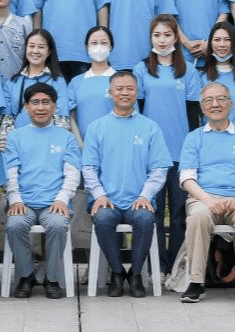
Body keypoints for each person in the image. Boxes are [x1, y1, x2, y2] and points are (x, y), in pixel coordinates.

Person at [82, 70, 171, 298]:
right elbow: (89, 168)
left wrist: (145, 195)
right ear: (110, 93)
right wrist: (100, 195)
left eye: (130, 88)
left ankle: (136, 273)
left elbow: (159, 169)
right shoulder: (96, 127)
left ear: (137, 92)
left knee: (145, 219)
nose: (124, 93)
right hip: (107, 201)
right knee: (103, 219)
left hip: (138, 201)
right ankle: (117, 272)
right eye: (119, 89)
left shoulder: (150, 127)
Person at [178, 81, 235, 305]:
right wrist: (208, 200)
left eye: (221, 99)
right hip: (203, 199)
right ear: (202, 106)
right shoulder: (194, 138)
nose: (215, 104)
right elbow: (186, 177)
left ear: (231, 104)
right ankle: (196, 282)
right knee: (198, 217)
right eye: (208, 100)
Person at [135, 15, 201, 271]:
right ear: (150, 38)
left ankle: (176, 267)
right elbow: (138, 114)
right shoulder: (141, 70)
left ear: (176, 38)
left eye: (167, 35)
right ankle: (157, 267)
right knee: (152, 213)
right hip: (151, 155)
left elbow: (194, 115)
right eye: (157, 35)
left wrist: (193, 152)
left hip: (181, 153)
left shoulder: (189, 71)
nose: (162, 40)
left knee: (178, 214)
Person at [4, 83, 83, 299]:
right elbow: (10, 172)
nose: (41, 107)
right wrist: (15, 199)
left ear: (55, 106)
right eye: (35, 102)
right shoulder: (15, 137)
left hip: (54, 203)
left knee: (57, 225)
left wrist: (62, 198)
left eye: (46, 102)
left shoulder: (66, 137)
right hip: (24, 203)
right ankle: (26, 275)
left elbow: (72, 173)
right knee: (15, 225)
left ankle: (52, 277)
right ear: (26, 107)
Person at [4, 28, 71, 129]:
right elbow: (6, 120)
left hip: (48, 137)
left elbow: (62, 120)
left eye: (41, 47)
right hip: (18, 137)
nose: (35, 51)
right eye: (31, 46)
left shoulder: (57, 81)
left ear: (49, 51)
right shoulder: (13, 82)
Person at [68, 25, 116, 137]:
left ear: (111, 47)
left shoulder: (121, 80)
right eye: (94, 43)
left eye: (104, 43)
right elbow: (71, 117)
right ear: (87, 47)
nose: (99, 47)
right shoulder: (76, 82)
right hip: (83, 145)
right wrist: (80, 143)